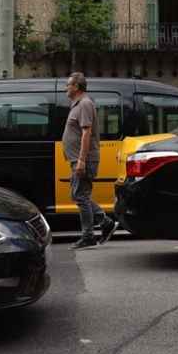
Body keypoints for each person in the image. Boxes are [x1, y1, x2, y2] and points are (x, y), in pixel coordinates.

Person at [63, 72, 114, 249]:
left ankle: (88, 236)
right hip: (78, 158)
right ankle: (104, 222)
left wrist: (81, 160)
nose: (66, 88)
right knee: (78, 194)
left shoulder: (85, 104)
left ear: (76, 87)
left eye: (68, 85)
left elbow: (87, 133)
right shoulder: (77, 104)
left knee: (80, 195)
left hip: (83, 159)